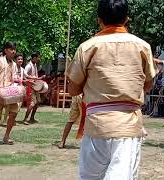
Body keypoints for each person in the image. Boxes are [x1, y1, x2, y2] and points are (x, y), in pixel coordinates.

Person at [66, 0, 156, 178]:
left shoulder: (87, 47)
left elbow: (73, 90)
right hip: (128, 127)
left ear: (99, 20)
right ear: (127, 19)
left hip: (96, 126)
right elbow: (148, 84)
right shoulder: (142, 46)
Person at [22, 52, 45, 125]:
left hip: (35, 86)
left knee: (37, 103)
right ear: (34, 58)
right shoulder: (28, 66)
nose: (39, 59)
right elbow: (24, 74)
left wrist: (40, 78)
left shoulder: (34, 65)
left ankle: (32, 118)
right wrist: (32, 78)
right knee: (32, 103)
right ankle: (25, 119)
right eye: (38, 58)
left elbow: (35, 77)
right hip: (30, 86)